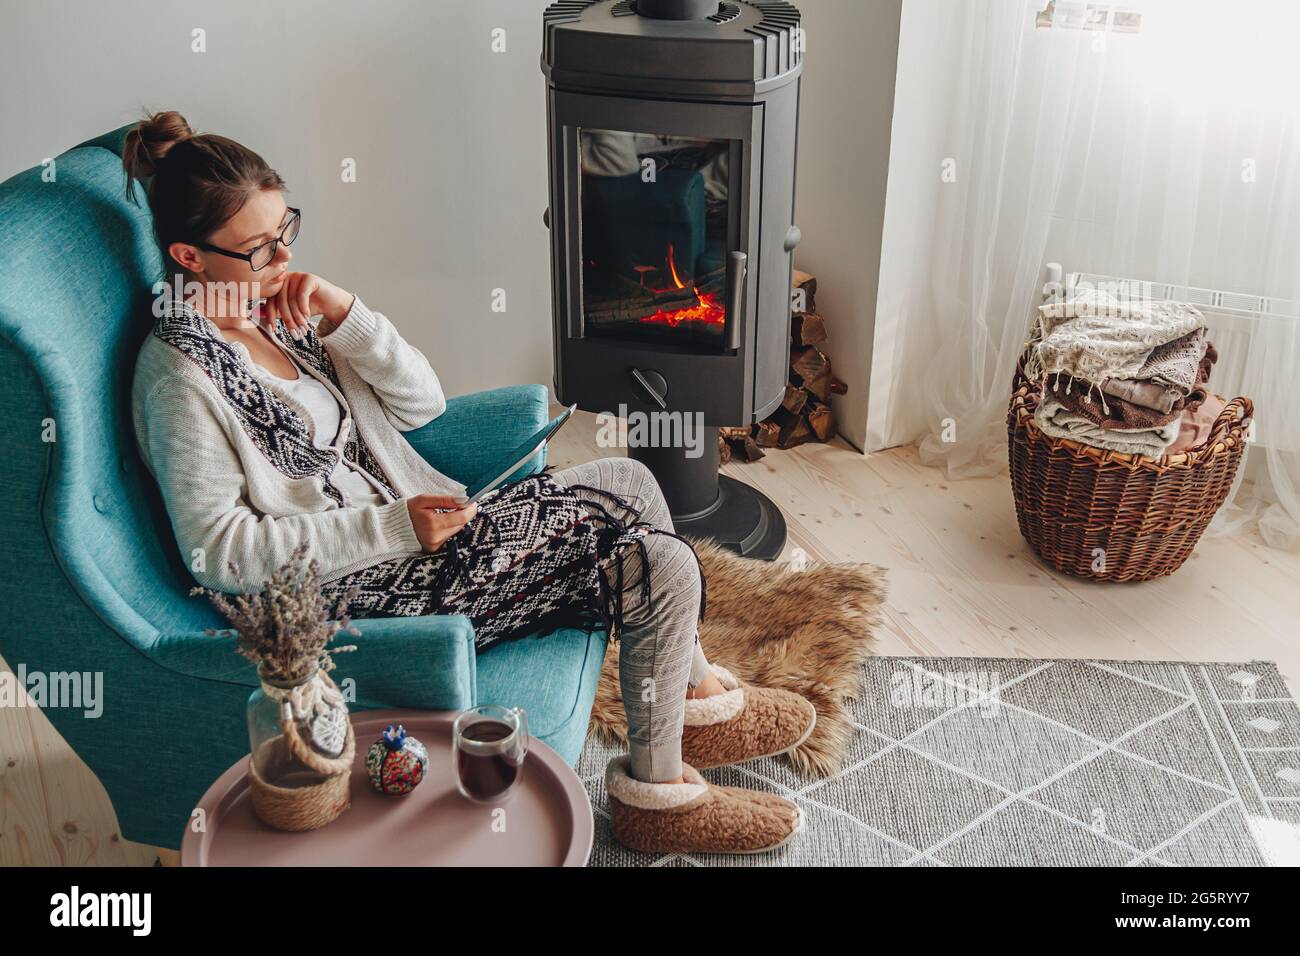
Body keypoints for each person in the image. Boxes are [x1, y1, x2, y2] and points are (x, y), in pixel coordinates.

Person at [126, 110, 816, 855]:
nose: (284, 257)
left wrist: (345, 313)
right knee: (656, 560)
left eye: (287, 229)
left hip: (412, 546)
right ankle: (659, 796)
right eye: (259, 250)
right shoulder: (179, 375)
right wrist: (392, 528)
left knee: (627, 478)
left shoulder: (283, 314)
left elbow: (421, 404)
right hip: (341, 596)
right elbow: (217, 552)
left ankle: (697, 700)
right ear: (189, 258)